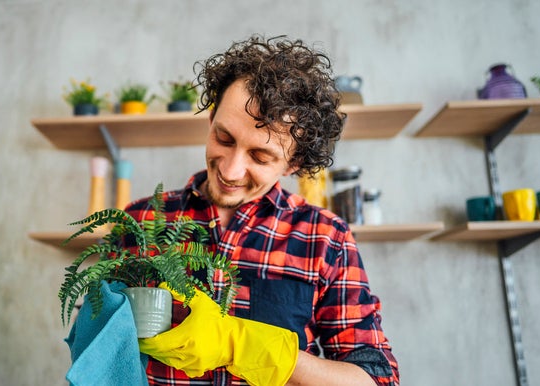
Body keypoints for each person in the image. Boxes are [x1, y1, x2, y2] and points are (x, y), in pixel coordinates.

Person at [124, 35, 399, 386]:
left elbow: (376, 380)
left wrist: (242, 344)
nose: (230, 170)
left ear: (293, 164)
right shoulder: (139, 221)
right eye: (224, 138)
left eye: (260, 156)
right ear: (210, 121)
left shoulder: (326, 238)